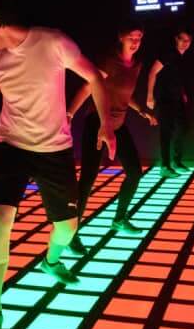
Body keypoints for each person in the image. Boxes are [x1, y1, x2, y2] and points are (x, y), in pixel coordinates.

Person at [0, 0, 115, 329]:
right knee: (0, 221)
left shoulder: (54, 43)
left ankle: (51, 260)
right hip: (11, 147)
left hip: (54, 149)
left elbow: (94, 78)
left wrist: (106, 125)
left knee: (66, 229)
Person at [65, 21, 157, 255]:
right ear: (121, 38)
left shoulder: (136, 65)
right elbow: (89, 88)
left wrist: (141, 111)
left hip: (119, 124)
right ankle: (71, 234)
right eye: (131, 37)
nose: (135, 42)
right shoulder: (109, 61)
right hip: (97, 121)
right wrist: (70, 113)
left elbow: (126, 96)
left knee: (134, 172)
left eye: (139, 38)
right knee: (87, 180)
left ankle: (119, 219)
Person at [147, 27, 194, 175]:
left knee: (183, 128)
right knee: (166, 132)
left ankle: (176, 161)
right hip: (165, 99)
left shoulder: (183, 57)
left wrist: (183, 93)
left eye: (188, 40)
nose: (185, 43)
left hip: (177, 99)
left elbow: (177, 78)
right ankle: (165, 166)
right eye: (182, 39)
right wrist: (149, 95)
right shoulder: (168, 54)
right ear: (176, 39)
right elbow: (153, 72)